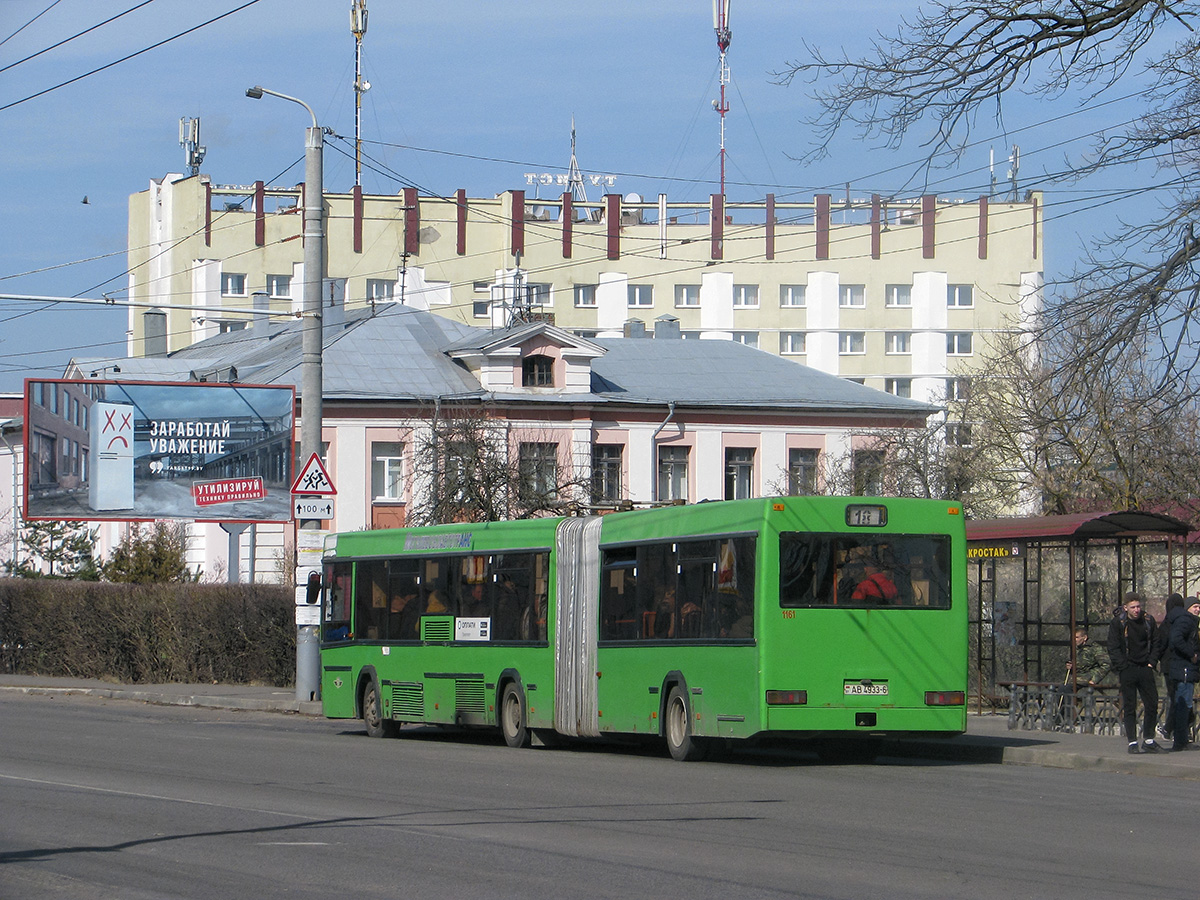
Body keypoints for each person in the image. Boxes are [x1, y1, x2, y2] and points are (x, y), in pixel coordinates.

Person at [1106, 591, 1162, 754]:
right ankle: (1132, 741)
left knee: (1152, 703)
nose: (1137, 610)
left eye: (1138, 606)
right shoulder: (1119, 623)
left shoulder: (1148, 620)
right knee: (1130, 705)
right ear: (1126, 608)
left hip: (1145, 667)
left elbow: (1156, 642)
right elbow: (1113, 646)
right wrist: (1122, 665)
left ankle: (1149, 739)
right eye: (1133, 607)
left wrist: (1152, 661)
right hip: (1128, 668)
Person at [1165, 597, 1200, 751]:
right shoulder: (1186, 621)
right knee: (1183, 705)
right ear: (1187, 608)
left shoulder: (1184, 620)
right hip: (1184, 669)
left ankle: (1181, 739)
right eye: (1195, 607)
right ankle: (1180, 741)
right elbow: (1176, 639)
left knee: (1183, 704)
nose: (1198, 610)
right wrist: (1192, 654)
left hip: (1183, 668)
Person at [1155, 594, 1185, 743]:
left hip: (1169, 666)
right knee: (1181, 697)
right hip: (1184, 665)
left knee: (1174, 697)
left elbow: (1160, 645)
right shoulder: (1185, 621)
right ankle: (1177, 729)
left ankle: (1169, 728)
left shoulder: (1167, 624)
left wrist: (1155, 660)